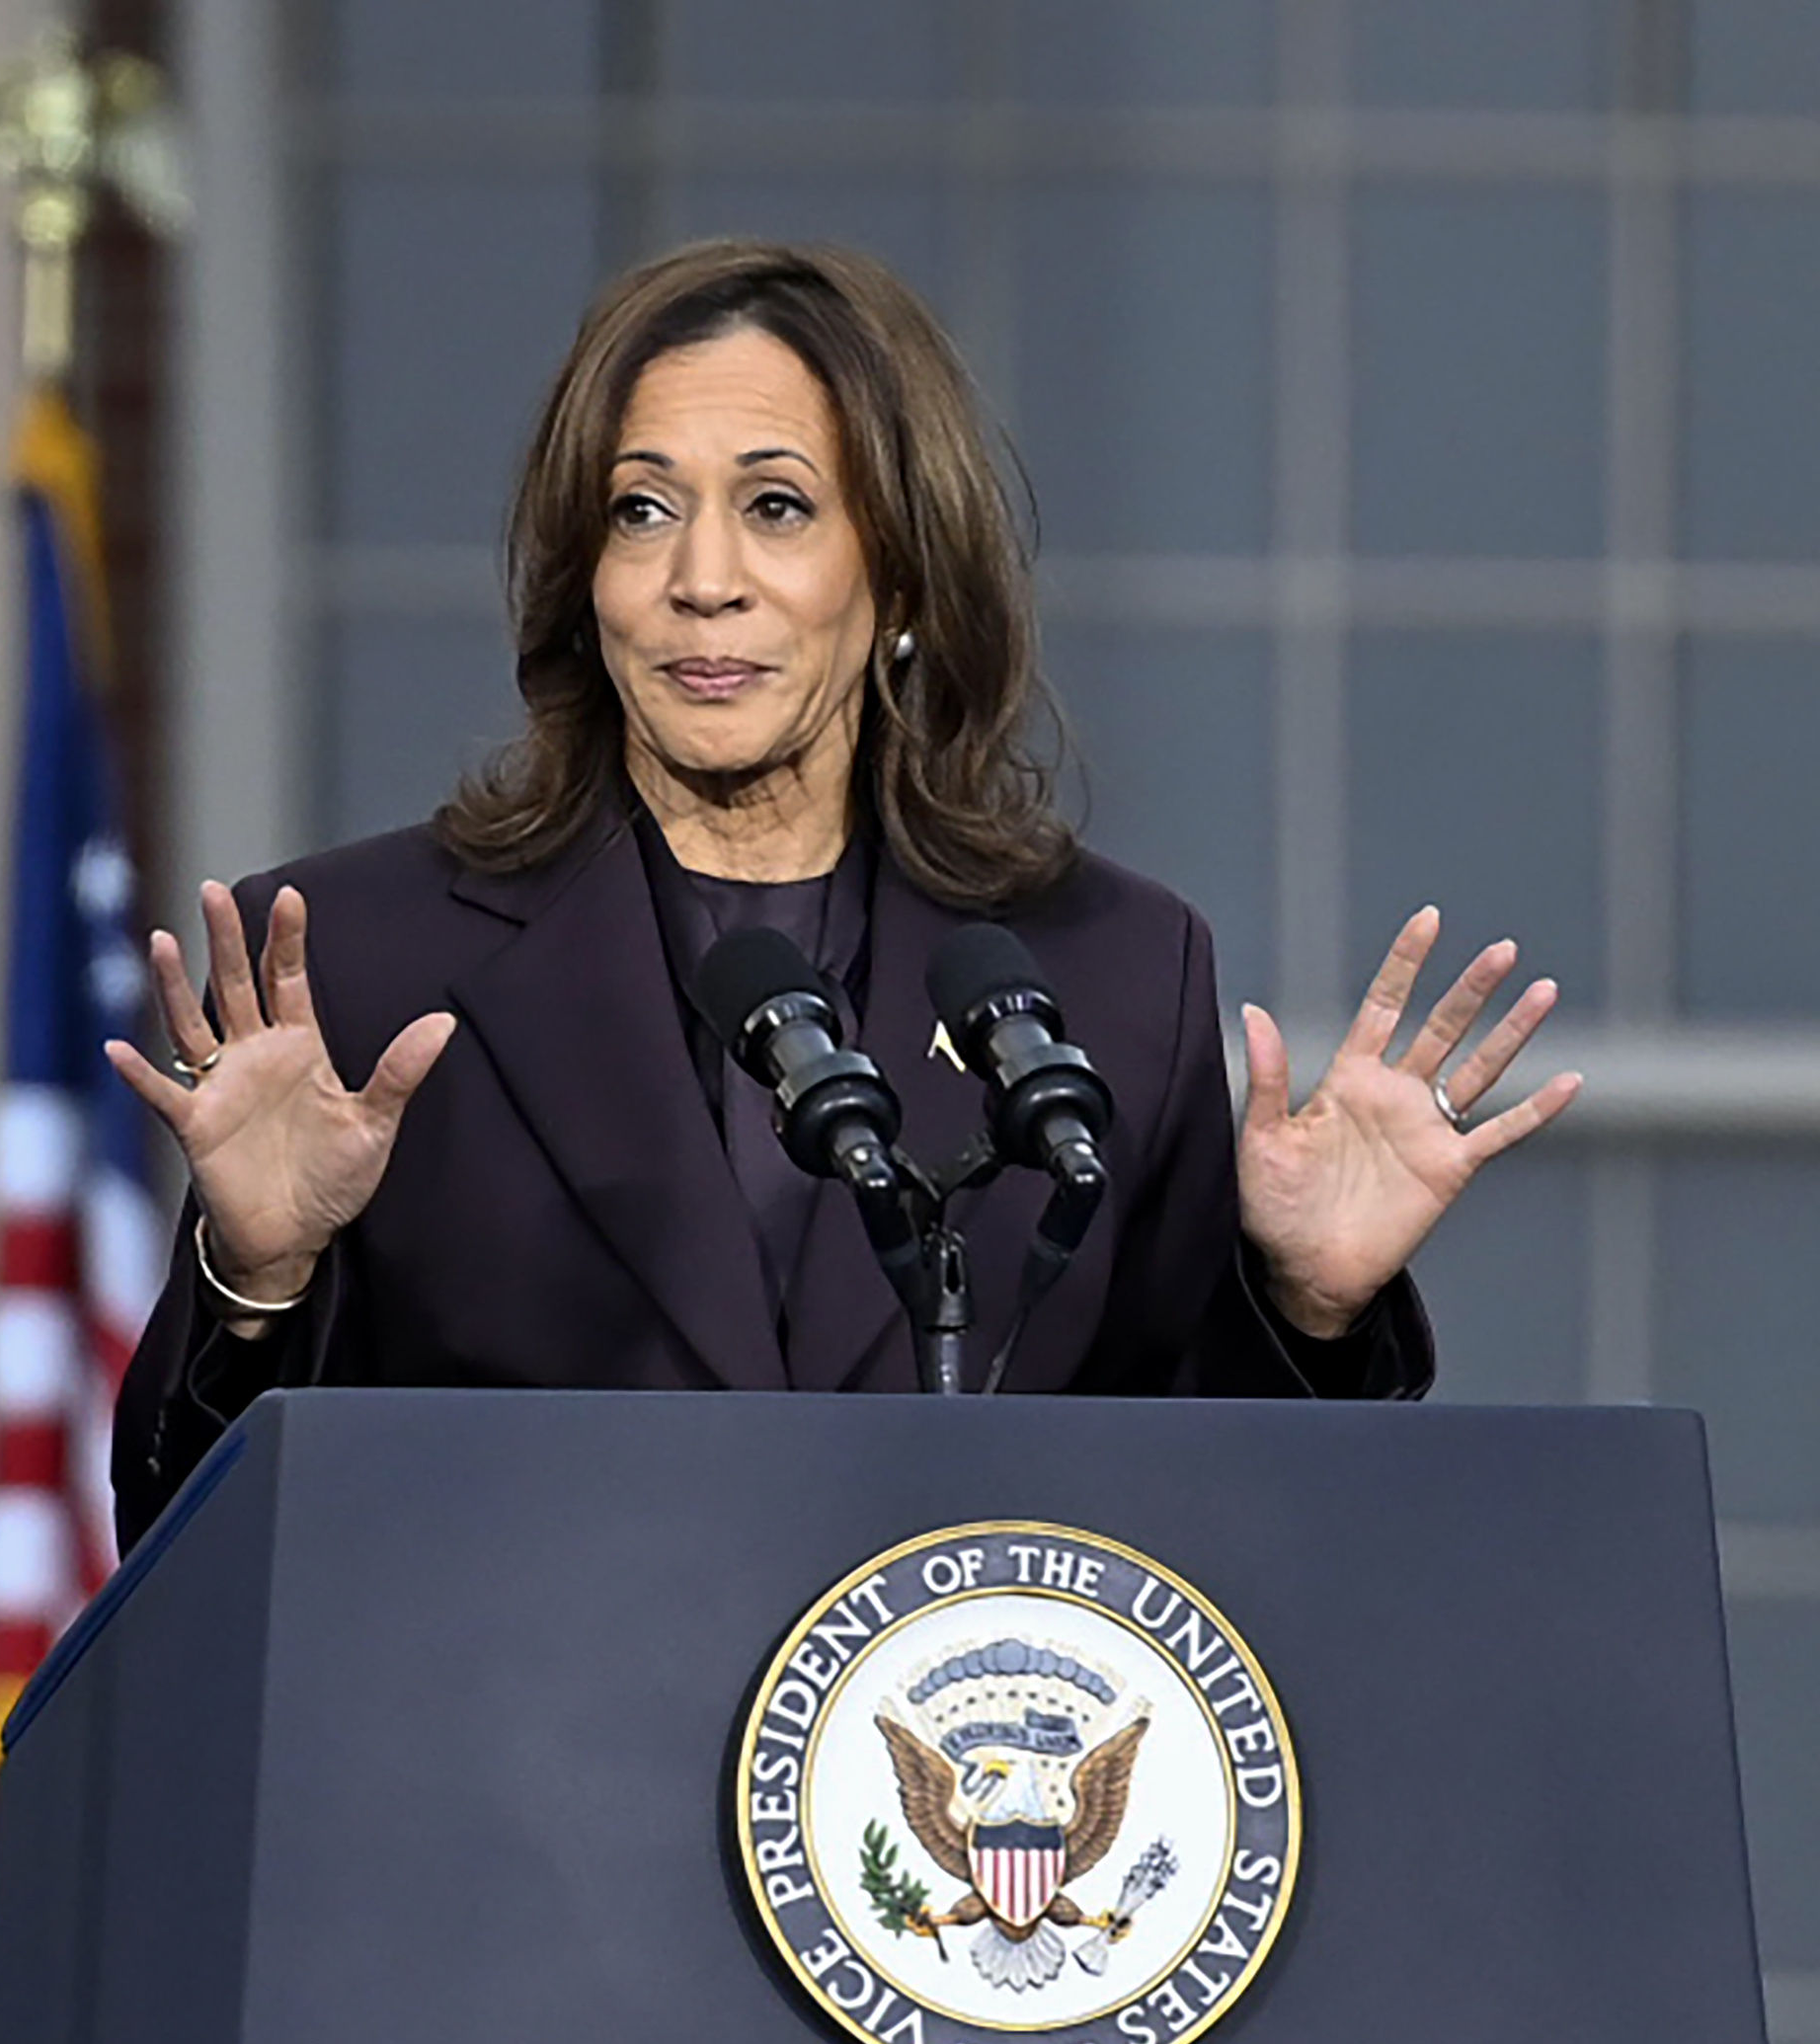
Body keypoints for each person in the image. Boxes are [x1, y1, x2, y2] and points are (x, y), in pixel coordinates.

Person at [104, 239, 1575, 1546]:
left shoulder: (1112, 976)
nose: (703, 578)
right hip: (516, 1758)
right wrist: (256, 1283)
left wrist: (1310, 1308)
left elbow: (1213, 1545)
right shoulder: (366, 965)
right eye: (640, 510)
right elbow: (189, 1560)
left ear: (906, 576)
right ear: (582, 579)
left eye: (778, 506)